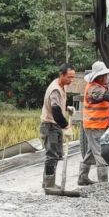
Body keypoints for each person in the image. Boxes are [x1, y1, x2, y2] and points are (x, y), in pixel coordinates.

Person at [40, 63, 75, 193]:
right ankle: (49, 185)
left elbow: (58, 105)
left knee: (55, 154)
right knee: (52, 155)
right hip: (49, 125)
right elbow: (55, 110)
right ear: (61, 75)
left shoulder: (62, 86)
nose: (71, 80)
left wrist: (67, 108)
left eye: (72, 77)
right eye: (69, 77)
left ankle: (49, 183)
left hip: (54, 125)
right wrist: (66, 126)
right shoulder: (55, 89)